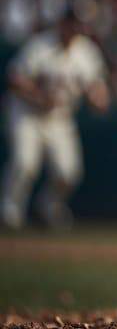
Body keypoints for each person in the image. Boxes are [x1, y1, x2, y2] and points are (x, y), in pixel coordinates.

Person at [2, 12, 110, 230]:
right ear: (62, 23)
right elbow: (14, 78)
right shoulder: (40, 45)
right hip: (27, 113)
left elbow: (97, 87)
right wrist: (38, 96)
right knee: (25, 162)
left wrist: (99, 98)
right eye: (71, 23)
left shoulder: (86, 52)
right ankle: (9, 211)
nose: (74, 29)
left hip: (60, 117)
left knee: (68, 172)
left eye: (78, 24)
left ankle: (48, 206)